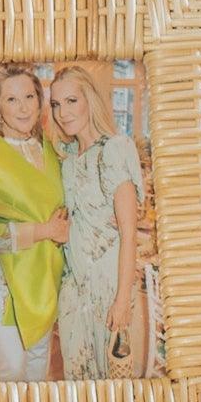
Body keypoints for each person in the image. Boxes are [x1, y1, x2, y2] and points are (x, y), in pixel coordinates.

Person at [46, 63, 150, 381]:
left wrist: (122, 299)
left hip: (109, 286)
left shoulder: (116, 150)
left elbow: (129, 233)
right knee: (78, 384)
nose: (63, 112)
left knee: (112, 384)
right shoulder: (64, 161)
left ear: (90, 99)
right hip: (73, 289)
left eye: (71, 101)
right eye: (56, 104)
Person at [0, 64, 65, 382]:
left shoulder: (47, 148)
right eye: (11, 99)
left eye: (29, 96)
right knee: (12, 369)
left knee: (38, 367)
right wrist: (44, 230)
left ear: (40, 100)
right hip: (3, 283)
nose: (23, 107)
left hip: (45, 276)